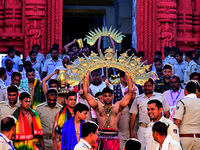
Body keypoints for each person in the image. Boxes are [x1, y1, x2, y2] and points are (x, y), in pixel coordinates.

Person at [83, 71, 134, 150]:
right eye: (105, 96)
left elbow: (130, 94)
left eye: (109, 96)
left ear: (113, 96)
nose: (107, 98)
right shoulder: (98, 106)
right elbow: (86, 94)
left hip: (114, 138)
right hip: (101, 138)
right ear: (102, 97)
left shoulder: (117, 107)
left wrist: (128, 76)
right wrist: (87, 76)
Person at [129, 78, 170, 150]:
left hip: (157, 129)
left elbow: (167, 113)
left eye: (149, 86)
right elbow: (133, 116)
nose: (147, 88)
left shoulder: (161, 97)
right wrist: (132, 131)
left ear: (153, 86)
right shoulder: (138, 99)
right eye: (145, 86)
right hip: (143, 129)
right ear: (142, 87)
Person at [174, 80, 200, 150]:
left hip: (185, 137)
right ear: (196, 91)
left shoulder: (182, 102)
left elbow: (177, 122)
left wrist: (174, 136)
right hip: (198, 137)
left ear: (185, 91)